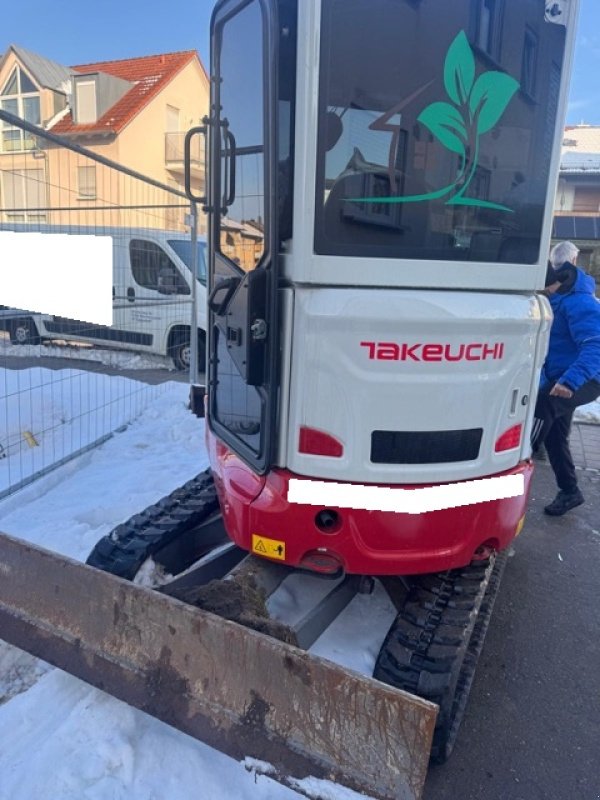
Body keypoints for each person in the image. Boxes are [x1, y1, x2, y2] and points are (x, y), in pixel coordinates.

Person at [531, 241, 600, 515]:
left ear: (561, 279)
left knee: (542, 406)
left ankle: (519, 458)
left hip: (587, 377)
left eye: (547, 286)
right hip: (562, 376)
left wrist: (570, 381)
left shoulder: (581, 302)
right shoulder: (555, 300)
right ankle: (570, 492)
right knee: (555, 436)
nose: (544, 290)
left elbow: (595, 345)